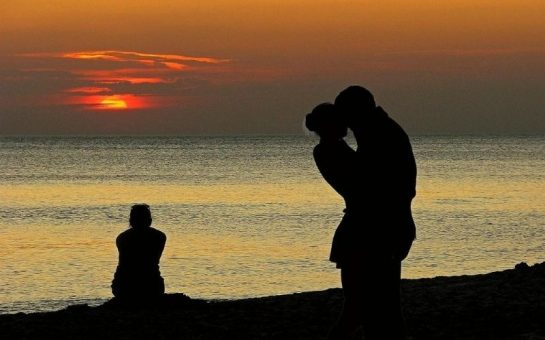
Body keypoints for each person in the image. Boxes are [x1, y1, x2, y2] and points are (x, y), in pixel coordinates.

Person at [329, 85, 417, 339]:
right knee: (382, 308)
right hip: (387, 227)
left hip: (384, 229)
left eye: (345, 114)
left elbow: (388, 190)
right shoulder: (378, 132)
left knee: (379, 308)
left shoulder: (380, 135)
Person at [111, 204, 167, 303]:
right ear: (150, 221)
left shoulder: (122, 238)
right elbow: (153, 261)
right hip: (152, 287)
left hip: (123, 287)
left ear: (131, 221)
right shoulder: (159, 237)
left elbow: (124, 264)